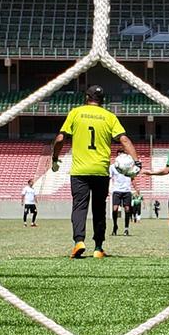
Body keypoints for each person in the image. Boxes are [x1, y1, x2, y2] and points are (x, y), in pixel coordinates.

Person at [51, 85, 140, 259]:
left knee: (79, 206)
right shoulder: (109, 116)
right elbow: (124, 139)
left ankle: (79, 241)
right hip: (100, 170)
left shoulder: (76, 113)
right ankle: (98, 247)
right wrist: (137, 161)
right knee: (99, 209)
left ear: (86, 97)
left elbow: (61, 138)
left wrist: (54, 158)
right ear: (102, 100)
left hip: (79, 170)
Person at [110, 157, 135, 236]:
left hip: (127, 190)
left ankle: (126, 228)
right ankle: (115, 226)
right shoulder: (112, 166)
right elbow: (109, 177)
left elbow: (133, 178)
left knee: (127, 209)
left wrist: (136, 188)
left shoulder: (129, 166)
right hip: (116, 190)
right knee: (115, 209)